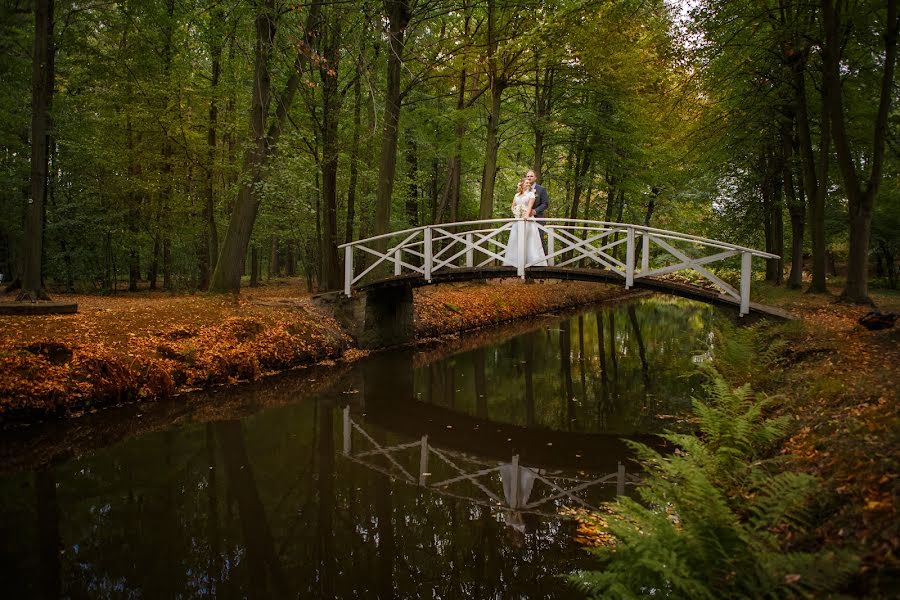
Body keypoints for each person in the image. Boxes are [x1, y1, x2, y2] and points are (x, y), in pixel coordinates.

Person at [503, 177, 548, 268]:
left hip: (527, 220)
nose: (528, 184)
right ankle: (514, 262)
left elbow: (530, 207)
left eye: (529, 183)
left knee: (529, 240)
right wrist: (516, 213)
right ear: (522, 184)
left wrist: (526, 216)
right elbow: (513, 206)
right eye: (526, 183)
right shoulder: (516, 195)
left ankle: (533, 262)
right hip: (517, 220)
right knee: (516, 239)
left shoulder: (531, 194)